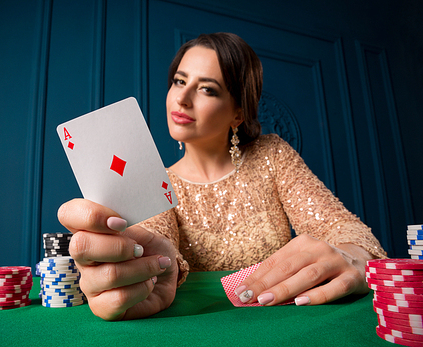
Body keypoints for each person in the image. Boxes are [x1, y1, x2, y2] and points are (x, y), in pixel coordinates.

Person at [58, 32, 387, 320]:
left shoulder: (272, 154)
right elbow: (152, 239)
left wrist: (353, 258)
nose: (182, 99)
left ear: (237, 113)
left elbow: (346, 229)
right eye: (179, 81)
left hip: (282, 323)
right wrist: (137, 266)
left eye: (208, 90)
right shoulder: (158, 181)